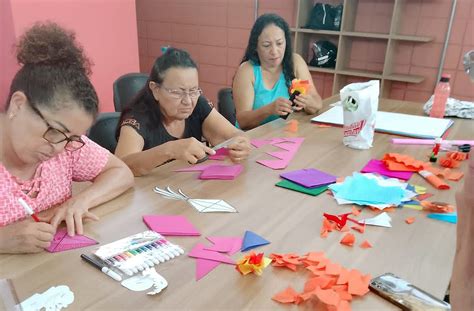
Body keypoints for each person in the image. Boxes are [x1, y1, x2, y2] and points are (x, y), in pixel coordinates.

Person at [0, 23, 134, 253]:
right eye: (54, 130)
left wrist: (81, 201)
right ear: (18, 105)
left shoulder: (66, 145)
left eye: (71, 138)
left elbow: (121, 173)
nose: (59, 148)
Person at [115, 48, 251, 177]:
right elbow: (122, 166)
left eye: (193, 90)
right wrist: (170, 150)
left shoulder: (198, 103)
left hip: (186, 186)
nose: (188, 101)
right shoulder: (138, 118)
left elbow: (232, 134)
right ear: (155, 90)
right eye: (177, 92)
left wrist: (241, 143)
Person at [233, 13, 323, 130]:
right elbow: (243, 121)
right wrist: (269, 110)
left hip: (285, 134)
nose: (275, 51)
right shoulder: (247, 70)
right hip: (252, 138)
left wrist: (308, 103)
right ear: (255, 46)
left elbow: (317, 103)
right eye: (266, 45)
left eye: (280, 43)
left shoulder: (295, 62)